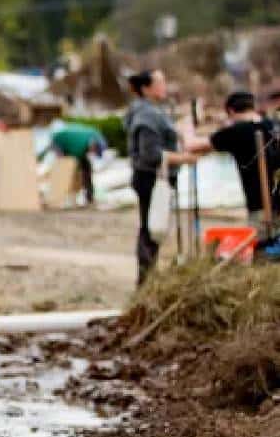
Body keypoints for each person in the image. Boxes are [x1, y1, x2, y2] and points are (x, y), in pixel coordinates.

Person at [124, 69, 197, 284]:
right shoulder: (147, 115)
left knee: (152, 229)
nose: (164, 87)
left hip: (152, 177)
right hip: (151, 179)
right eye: (160, 83)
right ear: (146, 88)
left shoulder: (151, 111)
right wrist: (184, 159)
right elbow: (151, 154)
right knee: (151, 229)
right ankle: (145, 281)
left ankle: (147, 279)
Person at [184, 91, 280, 239]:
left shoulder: (236, 132)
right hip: (276, 201)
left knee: (262, 250)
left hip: (260, 206)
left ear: (230, 111)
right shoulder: (270, 125)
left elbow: (191, 145)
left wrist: (188, 124)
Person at [45, 122, 108, 205]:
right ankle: (60, 197)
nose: (92, 153)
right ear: (93, 146)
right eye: (94, 151)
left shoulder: (96, 136)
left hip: (69, 141)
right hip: (57, 142)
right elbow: (74, 160)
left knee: (86, 169)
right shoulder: (79, 146)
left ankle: (89, 197)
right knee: (66, 170)